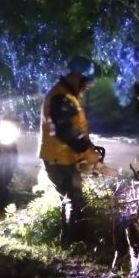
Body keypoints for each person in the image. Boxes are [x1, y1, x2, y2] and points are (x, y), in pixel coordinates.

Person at [38, 56, 104, 244]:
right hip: (58, 159)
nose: (87, 86)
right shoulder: (62, 97)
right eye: (86, 81)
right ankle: (71, 244)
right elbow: (65, 130)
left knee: (73, 200)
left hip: (63, 158)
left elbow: (75, 128)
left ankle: (74, 241)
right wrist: (88, 152)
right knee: (73, 200)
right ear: (76, 77)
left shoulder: (67, 95)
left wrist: (87, 151)